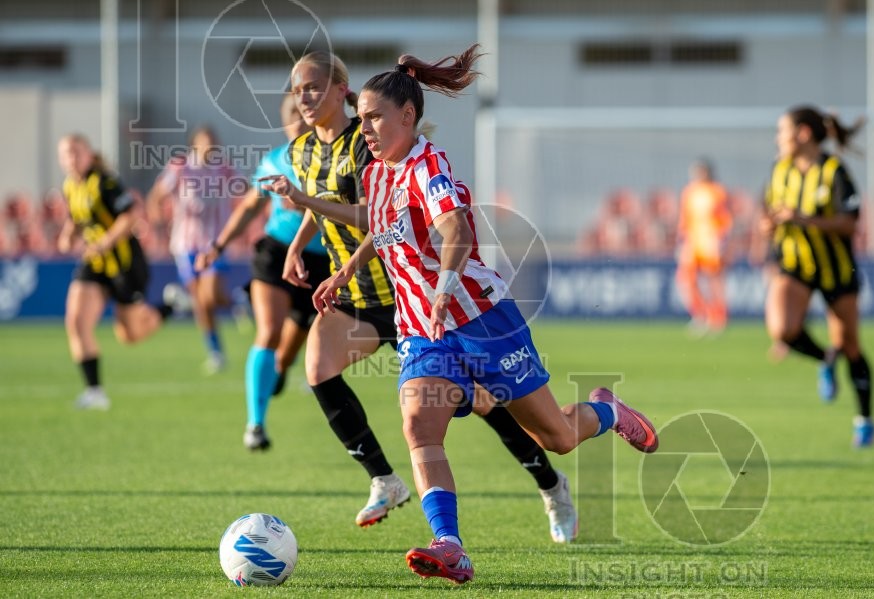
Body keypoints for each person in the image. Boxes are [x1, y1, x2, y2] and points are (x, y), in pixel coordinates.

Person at [308, 45, 658, 583]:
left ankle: (607, 412)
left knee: (557, 440)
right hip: (424, 330)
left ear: (408, 115)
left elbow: (456, 229)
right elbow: (382, 231)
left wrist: (446, 281)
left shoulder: (431, 164)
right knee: (419, 426)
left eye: (375, 117)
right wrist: (345, 272)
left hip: (481, 319)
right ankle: (449, 544)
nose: (367, 128)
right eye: (363, 119)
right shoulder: (376, 173)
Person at [262, 51, 580, 542]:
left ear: (339, 90)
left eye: (312, 87)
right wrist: (316, 254)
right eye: (295, 88)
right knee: (324, 370)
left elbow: (382, 216)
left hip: (419, 296)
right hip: (373, 295)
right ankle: (392, 488)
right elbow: (371, 216)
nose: (301, 97)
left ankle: (549, 482)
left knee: (491, 405)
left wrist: (307, 205)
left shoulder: (370, 146)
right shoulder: (304, 150)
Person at [195, 95, 330, 450]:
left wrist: (306, 201)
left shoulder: (333, 160)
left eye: (304, 115)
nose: (299, 122)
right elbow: (249, 208)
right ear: (284, 123)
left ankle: (278, 372)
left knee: (285, 358)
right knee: (268, 331)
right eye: (292, 117)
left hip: (319, 262)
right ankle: (255, 425)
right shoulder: (274, 161)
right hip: (274, 252)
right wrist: (218, 245)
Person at [759, 105, 874, 448]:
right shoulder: (779, 170)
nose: (778, 138)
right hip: (794, 264)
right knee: (782, 329)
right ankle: (825, 359)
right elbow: (770, 215)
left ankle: (865, 420)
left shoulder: (834, 170)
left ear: (803, 134)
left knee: (851, 346)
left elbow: (850, 223)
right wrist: (769, 226)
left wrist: (803, 218)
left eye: (782, 131)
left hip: (836, 269)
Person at [56, 134, 179, 409]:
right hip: (95, 264)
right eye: (66, 154)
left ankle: (170, 307)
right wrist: (68, 233)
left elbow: (130, 215)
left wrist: (106, 241)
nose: (71, 158)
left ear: (89, 154)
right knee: (76, 321)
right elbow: (78, 217)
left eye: (76, 152)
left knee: (130, 335)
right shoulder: (69, 186)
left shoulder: (105, 182)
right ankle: (95, 392)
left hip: (125, 265)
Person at [146, 126, 238, 373]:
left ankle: (230, 301)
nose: (208, 147)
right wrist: (158, 223)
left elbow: (246, 194)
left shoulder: (225, 167)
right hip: (185, 244)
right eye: (203, 142)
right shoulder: (180, 166)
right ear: (194, 144)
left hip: (215, 243)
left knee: (208, 297)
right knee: (202, 302)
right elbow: (157, 196)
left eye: (211, 142)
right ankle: (216, 352)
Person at [675, 158, 732, 336]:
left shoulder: (717, 192)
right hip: (693, 241)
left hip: (710, 241)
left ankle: (718, 317)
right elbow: (684, 218)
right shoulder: (689, 192)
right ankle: (700, 314)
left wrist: (722, 240)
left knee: (713, 281)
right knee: (686, 280)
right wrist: (681, 238)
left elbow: (725, 218)